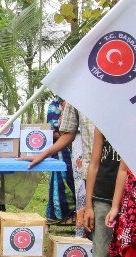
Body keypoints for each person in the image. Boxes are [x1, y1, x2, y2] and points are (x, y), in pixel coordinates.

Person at [21, 99, 94, 233]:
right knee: (78, 189)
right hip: (74, 152)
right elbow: (65, 133)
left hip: (102, 159)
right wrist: (42, 154)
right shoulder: (64, 102)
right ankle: (79, 226)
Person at [84, 129, 131, 257]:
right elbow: (94, 164)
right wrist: (88, 205)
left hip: (134, 198)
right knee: (102, 255)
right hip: (102, 196)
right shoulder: (102, 123)